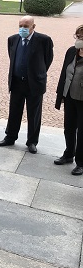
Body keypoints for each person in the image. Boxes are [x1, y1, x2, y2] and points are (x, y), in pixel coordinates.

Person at [0, 15, 54, 154]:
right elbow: (12, 57)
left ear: (33, 27)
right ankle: (10, 137)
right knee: (14, 111)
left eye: (26, 26)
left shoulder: (43, 40)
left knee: (34, 114)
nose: (22, 29)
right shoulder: (13, 39)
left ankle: (32, 141)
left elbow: (48, 59)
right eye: (20, 26)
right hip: (17, 82)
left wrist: (37, 73)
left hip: (34, 83)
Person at [54, 25, 83, 175]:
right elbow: (64, 73)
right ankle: (68, 154)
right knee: (69, 127)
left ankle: (81, 162)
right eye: (77, 36)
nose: (79, 40)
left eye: (82, 37)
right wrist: (61, 94)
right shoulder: (71, 51)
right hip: (70, 96)